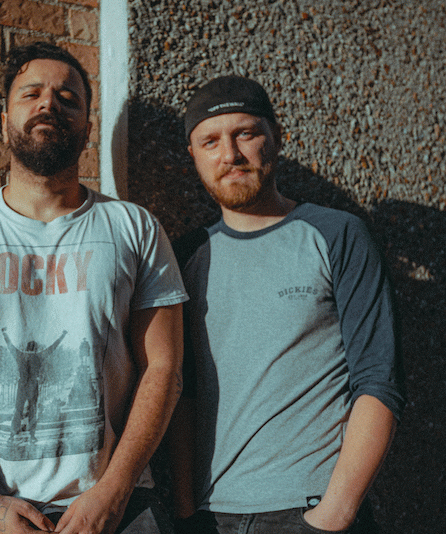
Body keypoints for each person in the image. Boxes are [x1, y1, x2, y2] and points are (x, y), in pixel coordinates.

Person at [0, 42, 188, 534]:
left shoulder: (134, 228)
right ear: (3, 122)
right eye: (31, 93)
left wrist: (112, 492)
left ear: (88, 128)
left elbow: (162, 368)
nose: (48, 105)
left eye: (67, 98)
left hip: (118, 510)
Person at [170, 76, 406, 533]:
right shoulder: (186, 255)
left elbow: (379, 379)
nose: (230, 154)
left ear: (277, 138)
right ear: (193, 155)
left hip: (310, 508)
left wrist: (333, 515)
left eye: (245, 133)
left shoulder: (336, 234)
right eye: (210, 141)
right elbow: (183, 393)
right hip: (213, 517)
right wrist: (185, 512)